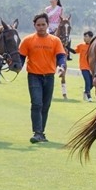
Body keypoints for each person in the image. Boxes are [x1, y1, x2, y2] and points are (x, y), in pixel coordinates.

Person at [18, 13, 67, 143]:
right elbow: (21, 58)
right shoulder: (27, 40)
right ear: (34, 25)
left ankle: (41, 133)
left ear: (47, 25)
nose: (41, 27)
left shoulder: (55, 40)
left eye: (43, 25)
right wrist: (16, 67)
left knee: (45, 105)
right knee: (37, 103)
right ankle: (37, 133)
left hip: (49, 76)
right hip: (34, 76)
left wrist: (62, 66)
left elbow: (61, 56)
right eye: (38, 25)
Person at [70, 31, 94, 102]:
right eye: (84, 36)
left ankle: (86, 91)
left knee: (92, 83)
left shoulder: (93, 46)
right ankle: (89, 97)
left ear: (90, 37)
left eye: (86, 36)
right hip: (83, 67)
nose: (84, 38)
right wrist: (67, 47)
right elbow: (74, 51)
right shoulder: (81, 46)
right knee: (87, 81)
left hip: (91, 68)